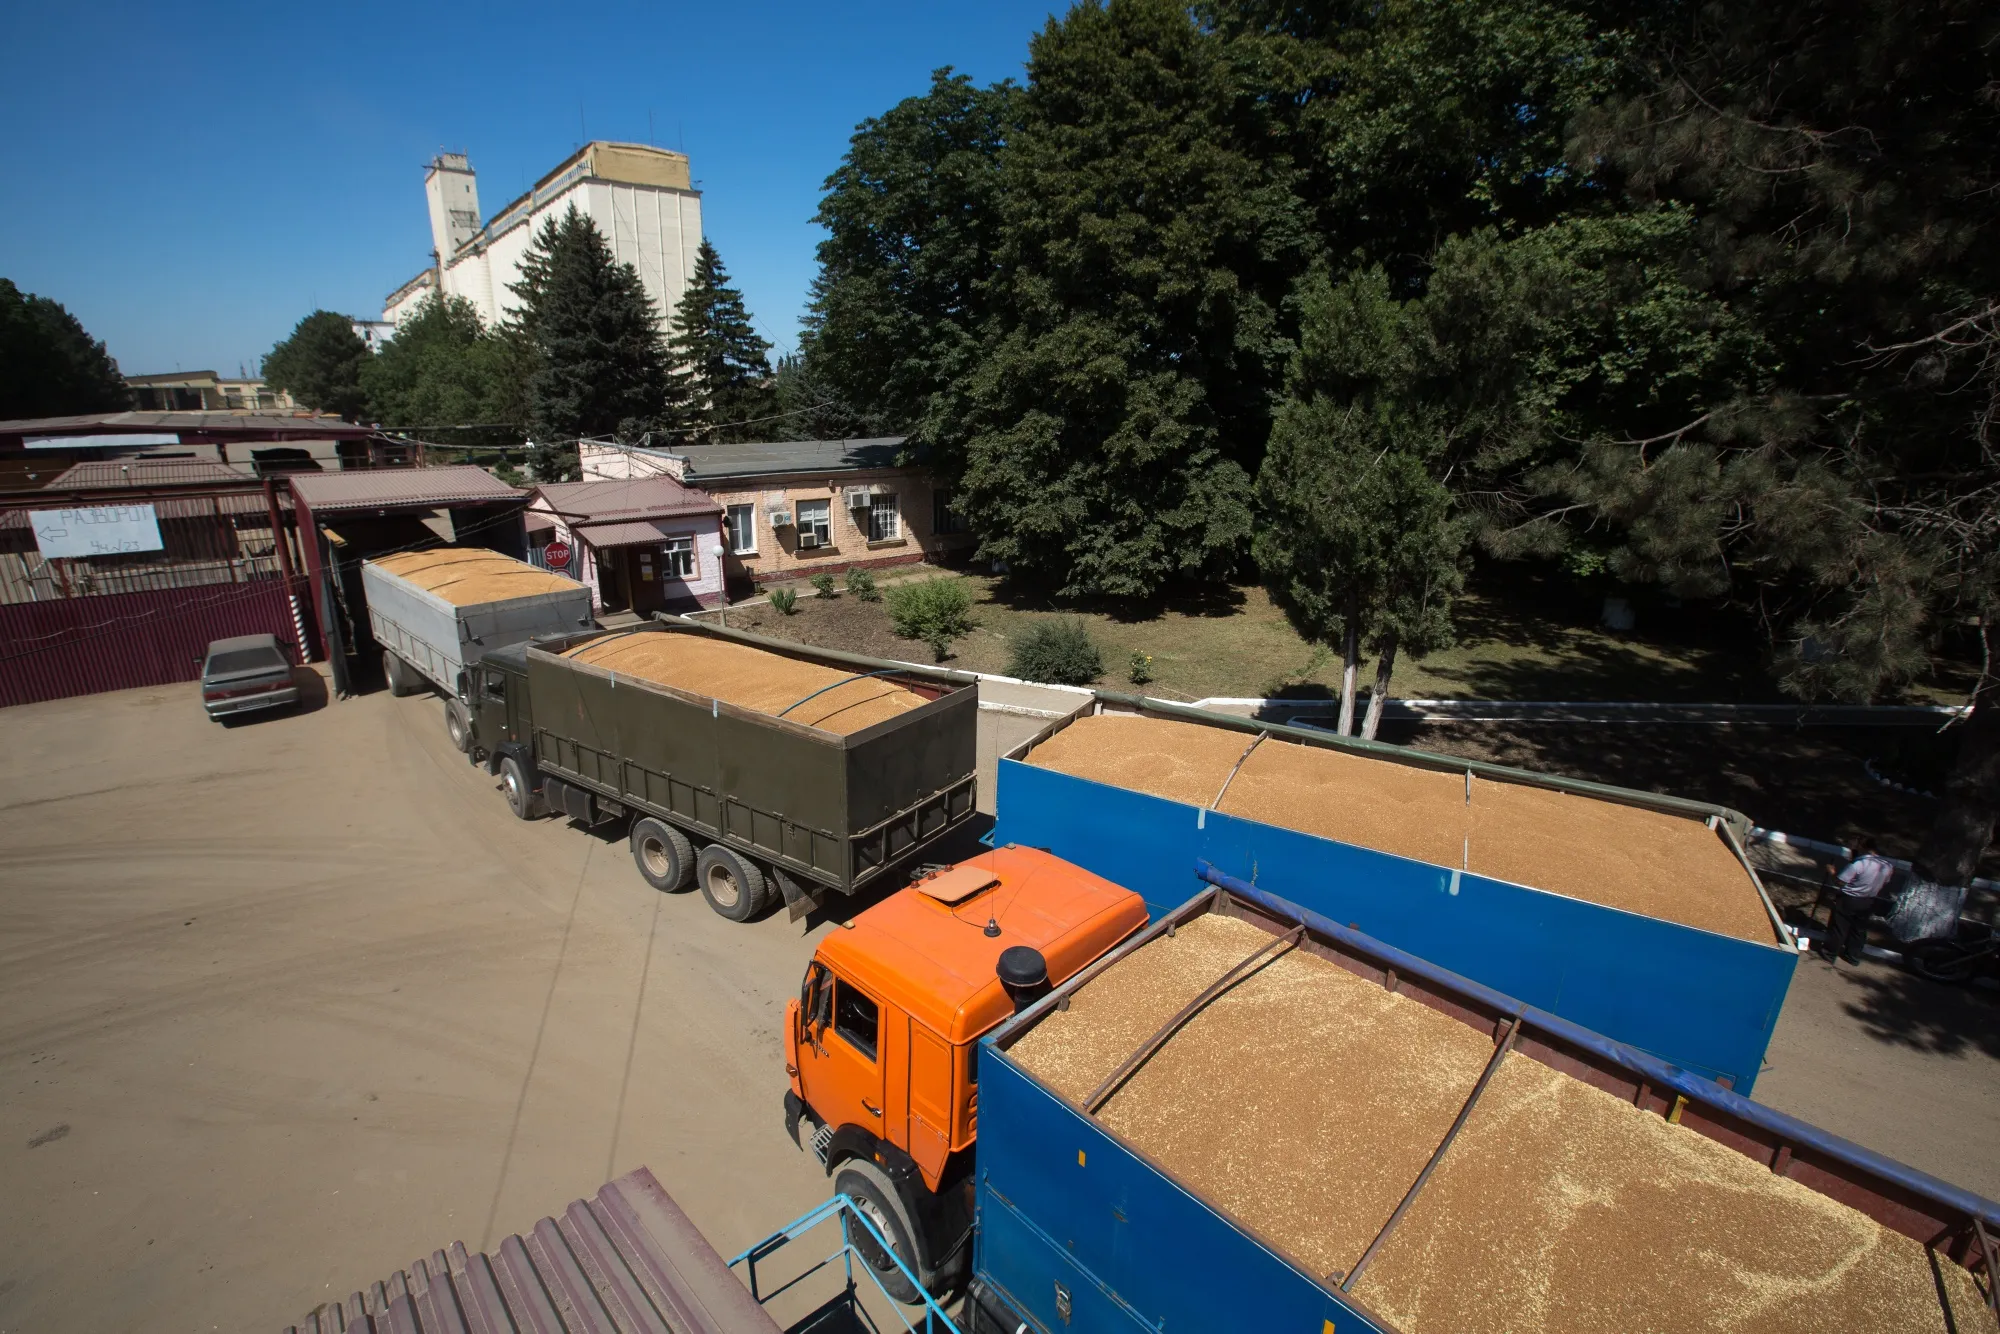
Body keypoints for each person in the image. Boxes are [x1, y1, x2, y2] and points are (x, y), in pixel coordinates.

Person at [1822, 836, 1895, 964]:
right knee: (1859, 930)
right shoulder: (1887, 866)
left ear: (1863, 847)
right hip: (1869, 901)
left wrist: (1832, 872)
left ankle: (1830, 953)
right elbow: (1885, 882)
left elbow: (1840, 882)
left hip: (1849, 899)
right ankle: (1853, 956)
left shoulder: (1859, 864)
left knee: (1840, 927)